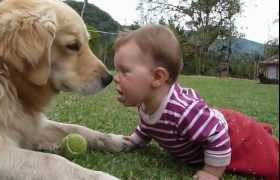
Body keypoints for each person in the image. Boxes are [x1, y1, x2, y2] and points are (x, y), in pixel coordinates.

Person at [113, 24, 279, 180]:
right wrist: (135, 140)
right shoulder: (145, 103)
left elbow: (217, 134)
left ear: (157, 77)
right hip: (207, 125)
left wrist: (211, 172)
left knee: (270, 159)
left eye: (124, 71)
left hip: (231, 133)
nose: (115, 78)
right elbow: (148, 126)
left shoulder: (183, 111)